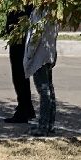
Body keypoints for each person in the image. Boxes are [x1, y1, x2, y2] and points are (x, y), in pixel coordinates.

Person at [24, 7, 58, 137]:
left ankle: (43, 126)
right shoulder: (53, 11)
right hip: (48, 55)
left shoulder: (39, 12)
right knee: (49, 90)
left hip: (39, 57)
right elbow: (54, 36)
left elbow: (35, 35)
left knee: (44, 91)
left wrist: (29, 56)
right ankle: (49, 125)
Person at [4, 5, 36, 123]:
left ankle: (24, 110)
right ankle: (27, 107)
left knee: (19, 75)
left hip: (21, 40)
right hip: (19, 38)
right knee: (20, 75)